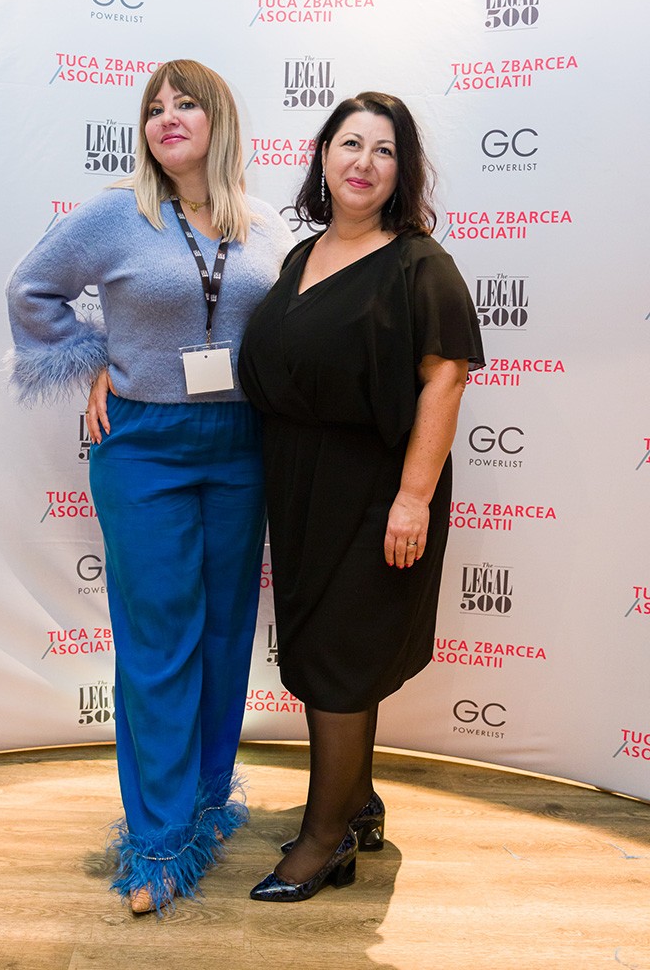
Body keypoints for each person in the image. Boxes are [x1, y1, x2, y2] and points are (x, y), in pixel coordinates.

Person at [6, 59, 294, 914]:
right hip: (143, 448)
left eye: (186, 103)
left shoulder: (265, 226)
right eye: (154, 107)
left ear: (219, 121)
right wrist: (97, 360)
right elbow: (31, 289)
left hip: (242, 444)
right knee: (160, 638)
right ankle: (159, 841)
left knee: (224, 633)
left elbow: (289, 327)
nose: (166, 116)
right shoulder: (117, 213)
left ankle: (205, 807)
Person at [238, 92, 485, 902]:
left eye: (384, 150)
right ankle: (361, 799)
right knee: (324, 647)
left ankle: (326, 838)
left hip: (377, 490)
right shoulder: (300, 256)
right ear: (322, 156)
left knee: (340, 660)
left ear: (400, 171)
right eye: (350, 144)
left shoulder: (420, 265)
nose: (364, 163)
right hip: (300, 485)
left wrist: (414, 499)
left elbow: (445, 379)